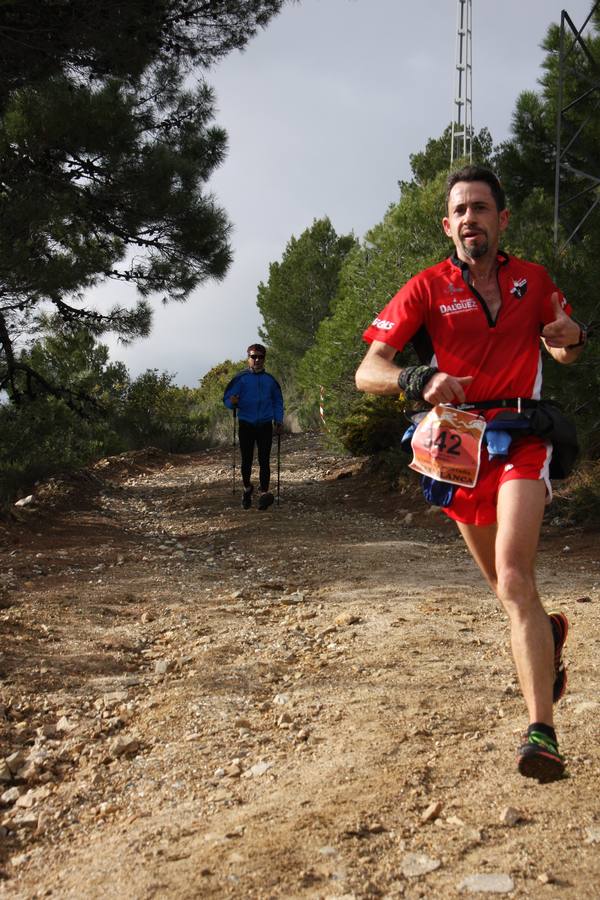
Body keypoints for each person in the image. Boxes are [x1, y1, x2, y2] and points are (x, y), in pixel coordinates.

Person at [355, 165, 588, 783]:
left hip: (522, 435)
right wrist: (416, 377)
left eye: (480, 208)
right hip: (457, 446)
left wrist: (571, 338)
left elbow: (562, 345)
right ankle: (548, 635)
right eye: (459, 211)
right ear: (447, 224)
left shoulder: (533, 281)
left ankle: (542, 732)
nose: (469, 219)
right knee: (506, 591)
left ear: (501, 219)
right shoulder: (426, 287)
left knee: (514, 576)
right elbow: (367, 370)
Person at [223, 343, 284, 510]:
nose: (257, 360)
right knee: (246, 461)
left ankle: (264, 493)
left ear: (264, 359)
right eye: (253, 356)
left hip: (265, 424)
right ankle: (247, 488)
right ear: (248, 358)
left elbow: (278, 401)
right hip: (246, 423)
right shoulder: (240, 379)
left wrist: (278, 420)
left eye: (260, 357)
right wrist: (232, 403)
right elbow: (227, 399)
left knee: (264, 460)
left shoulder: (270, 380)